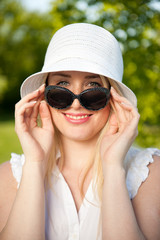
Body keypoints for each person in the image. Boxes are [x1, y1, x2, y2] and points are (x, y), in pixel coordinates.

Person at [0, 23, 160, 240]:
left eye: (93, 87)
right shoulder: (8, 177)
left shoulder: (151, 174)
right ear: (42, 95)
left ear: (114, 98)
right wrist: (35, 163)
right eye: (62, 86)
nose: (76, 103)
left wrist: (113, 167)